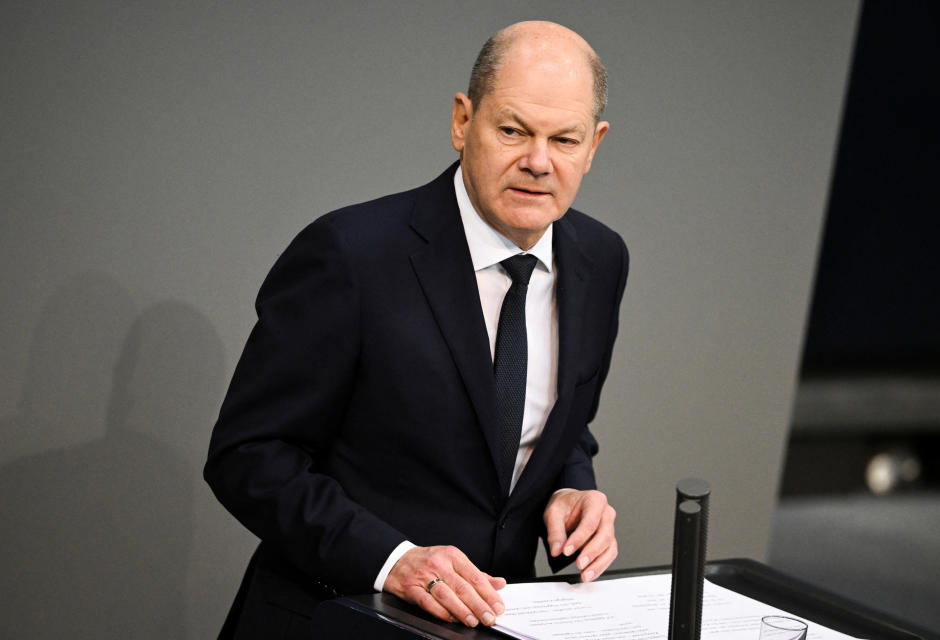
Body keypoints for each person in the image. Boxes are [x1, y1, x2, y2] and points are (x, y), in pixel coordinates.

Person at [205, 20, 628, 639]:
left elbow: (560, 427)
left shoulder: (601, 258)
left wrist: (569, 487)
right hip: (336, 619)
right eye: (513, 130)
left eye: (564, 140)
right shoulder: (351, 254)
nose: (538, 162)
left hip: (494, 624)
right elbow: (248, 458)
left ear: (593, 146)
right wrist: (391, 561)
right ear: (463, 121)